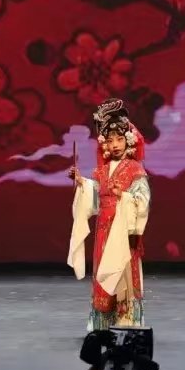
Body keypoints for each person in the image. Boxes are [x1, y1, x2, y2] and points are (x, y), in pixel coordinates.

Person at [68, 98, 151, 331]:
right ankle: (104, 322)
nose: (115, 145)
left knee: (122, 272)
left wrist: (123, 196)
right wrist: (81, 183)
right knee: (103, 272)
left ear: (128, 141)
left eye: (119, 139)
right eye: (110, 140)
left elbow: (143, 200)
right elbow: (95, 198)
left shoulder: (135, 169)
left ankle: (126, 319)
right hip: (104, 229)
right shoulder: (101, 171)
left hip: (123, 230)